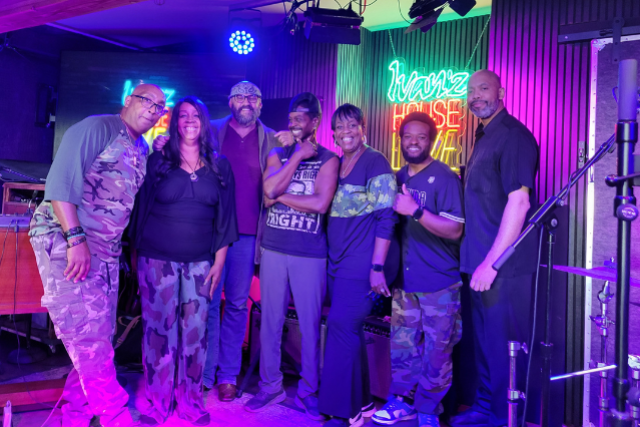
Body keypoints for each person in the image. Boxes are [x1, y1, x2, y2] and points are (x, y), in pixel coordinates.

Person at [29, 84, 167, 427]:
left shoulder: (141, 147)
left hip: (105, 253)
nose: (153, 109)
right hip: (68, 240)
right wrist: (75, 239)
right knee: (88, 338)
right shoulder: (98, 127)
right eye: (146, 101)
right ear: (128, 100)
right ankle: (115, 417)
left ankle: (76, 415)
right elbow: (60, 184)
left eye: (160, 106)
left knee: (99, 338)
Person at [154, 81, 280, 401]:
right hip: (209, 231)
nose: (246, 101)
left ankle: (227, 376)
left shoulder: (273, 139)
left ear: (261, 103)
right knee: (205, 302)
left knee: (236, 304)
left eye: (253, 96)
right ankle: (204, 372)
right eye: (239, 96)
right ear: (229, 101)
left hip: (248, 233)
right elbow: (180, 146)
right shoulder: (211, 128)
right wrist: (161, 142)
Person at [129, 96, 238, 426]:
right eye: (183, 115)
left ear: (204, 122)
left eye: (196, 115)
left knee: (195, 334)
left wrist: (219, 262)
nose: (189, 120)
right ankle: (159, 402)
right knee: (159, 333)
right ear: (175, 122)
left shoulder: (220, 166)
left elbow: (226, 219)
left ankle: (190, 402)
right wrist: (135, 258)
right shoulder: (159, 161)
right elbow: (140, 211)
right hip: (156, 261)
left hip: (201, 263)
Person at [449, 70, 539, 427]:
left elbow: (519, 203)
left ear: (501, 92)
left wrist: (492, 263)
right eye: (471, 91)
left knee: (503, 347)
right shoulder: (483, 136)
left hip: (501, 267)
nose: (476, 96)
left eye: (483, 88)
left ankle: (502, 418)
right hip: (479, 262)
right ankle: (486, 408)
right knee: (486, 344)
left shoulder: (513, 136)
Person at [244, 92, 339, 419]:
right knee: (270, 321)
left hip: (309, 253)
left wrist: (279, 196)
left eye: (301, 118)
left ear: (315, 121)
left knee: (310, 326)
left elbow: (320, 204)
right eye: (291, 118)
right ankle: (270, 386)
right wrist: (297, 156)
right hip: (273, 248)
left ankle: (309, 390)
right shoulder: (278, 153)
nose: (294, 123)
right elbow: (267, 193)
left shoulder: (329, 159)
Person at [371, 112, 465, 427]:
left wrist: (416, 210)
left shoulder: (445, 177)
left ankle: (428, 410)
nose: (413, 142)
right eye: (408, 136)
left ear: (431, 141)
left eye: (421, 137)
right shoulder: (397, 177)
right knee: (402, 347)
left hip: (439, 282)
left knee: (437, 351)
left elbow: (455, 230)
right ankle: (402, 402)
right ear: (400, 140)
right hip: (404, 283)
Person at [318, 104, 397, 427]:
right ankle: (362, 404)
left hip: (362, 261)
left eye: (352, 125)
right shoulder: (337, 163)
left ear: (363, 128)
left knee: (341, 325)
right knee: (348, 331)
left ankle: (342, 411)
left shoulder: (375, 161)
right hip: (337, 261)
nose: (346, 132)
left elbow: (386, 217)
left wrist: (377, 267)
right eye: (340, 127)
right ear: (333, 134)